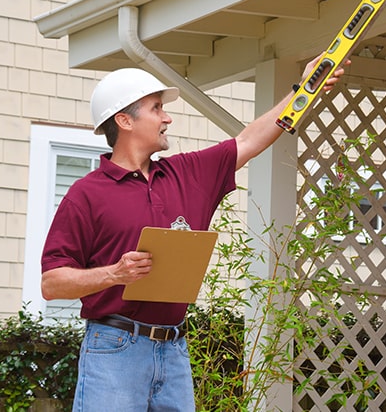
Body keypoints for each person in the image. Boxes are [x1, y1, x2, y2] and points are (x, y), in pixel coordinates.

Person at [40, 54, 349, 411]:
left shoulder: (187, 174)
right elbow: (52, 283)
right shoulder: (87, 194)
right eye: (157, 108)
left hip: (173, 350)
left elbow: (250, 141)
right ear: (125, 120)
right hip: (114, 348)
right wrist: (115, 273)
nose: (167, 117)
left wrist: (303, 90)